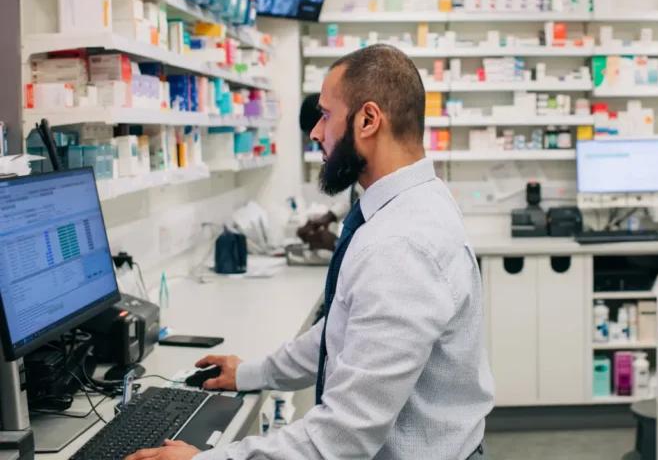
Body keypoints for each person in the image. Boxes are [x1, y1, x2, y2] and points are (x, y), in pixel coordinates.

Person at [126, 44, 494, 460]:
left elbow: (344, 435)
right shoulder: (411, 202)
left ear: (369, 120)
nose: (316, 132)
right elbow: (348, 327)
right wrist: (251, 372)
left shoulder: (399, 245)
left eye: (325, 115)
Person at [296, 93, 358, 252]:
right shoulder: (354, 163)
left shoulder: (375, 170)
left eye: (321, 140)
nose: (322, 150)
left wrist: (335, 244)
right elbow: (355, 198)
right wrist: (329, 216)